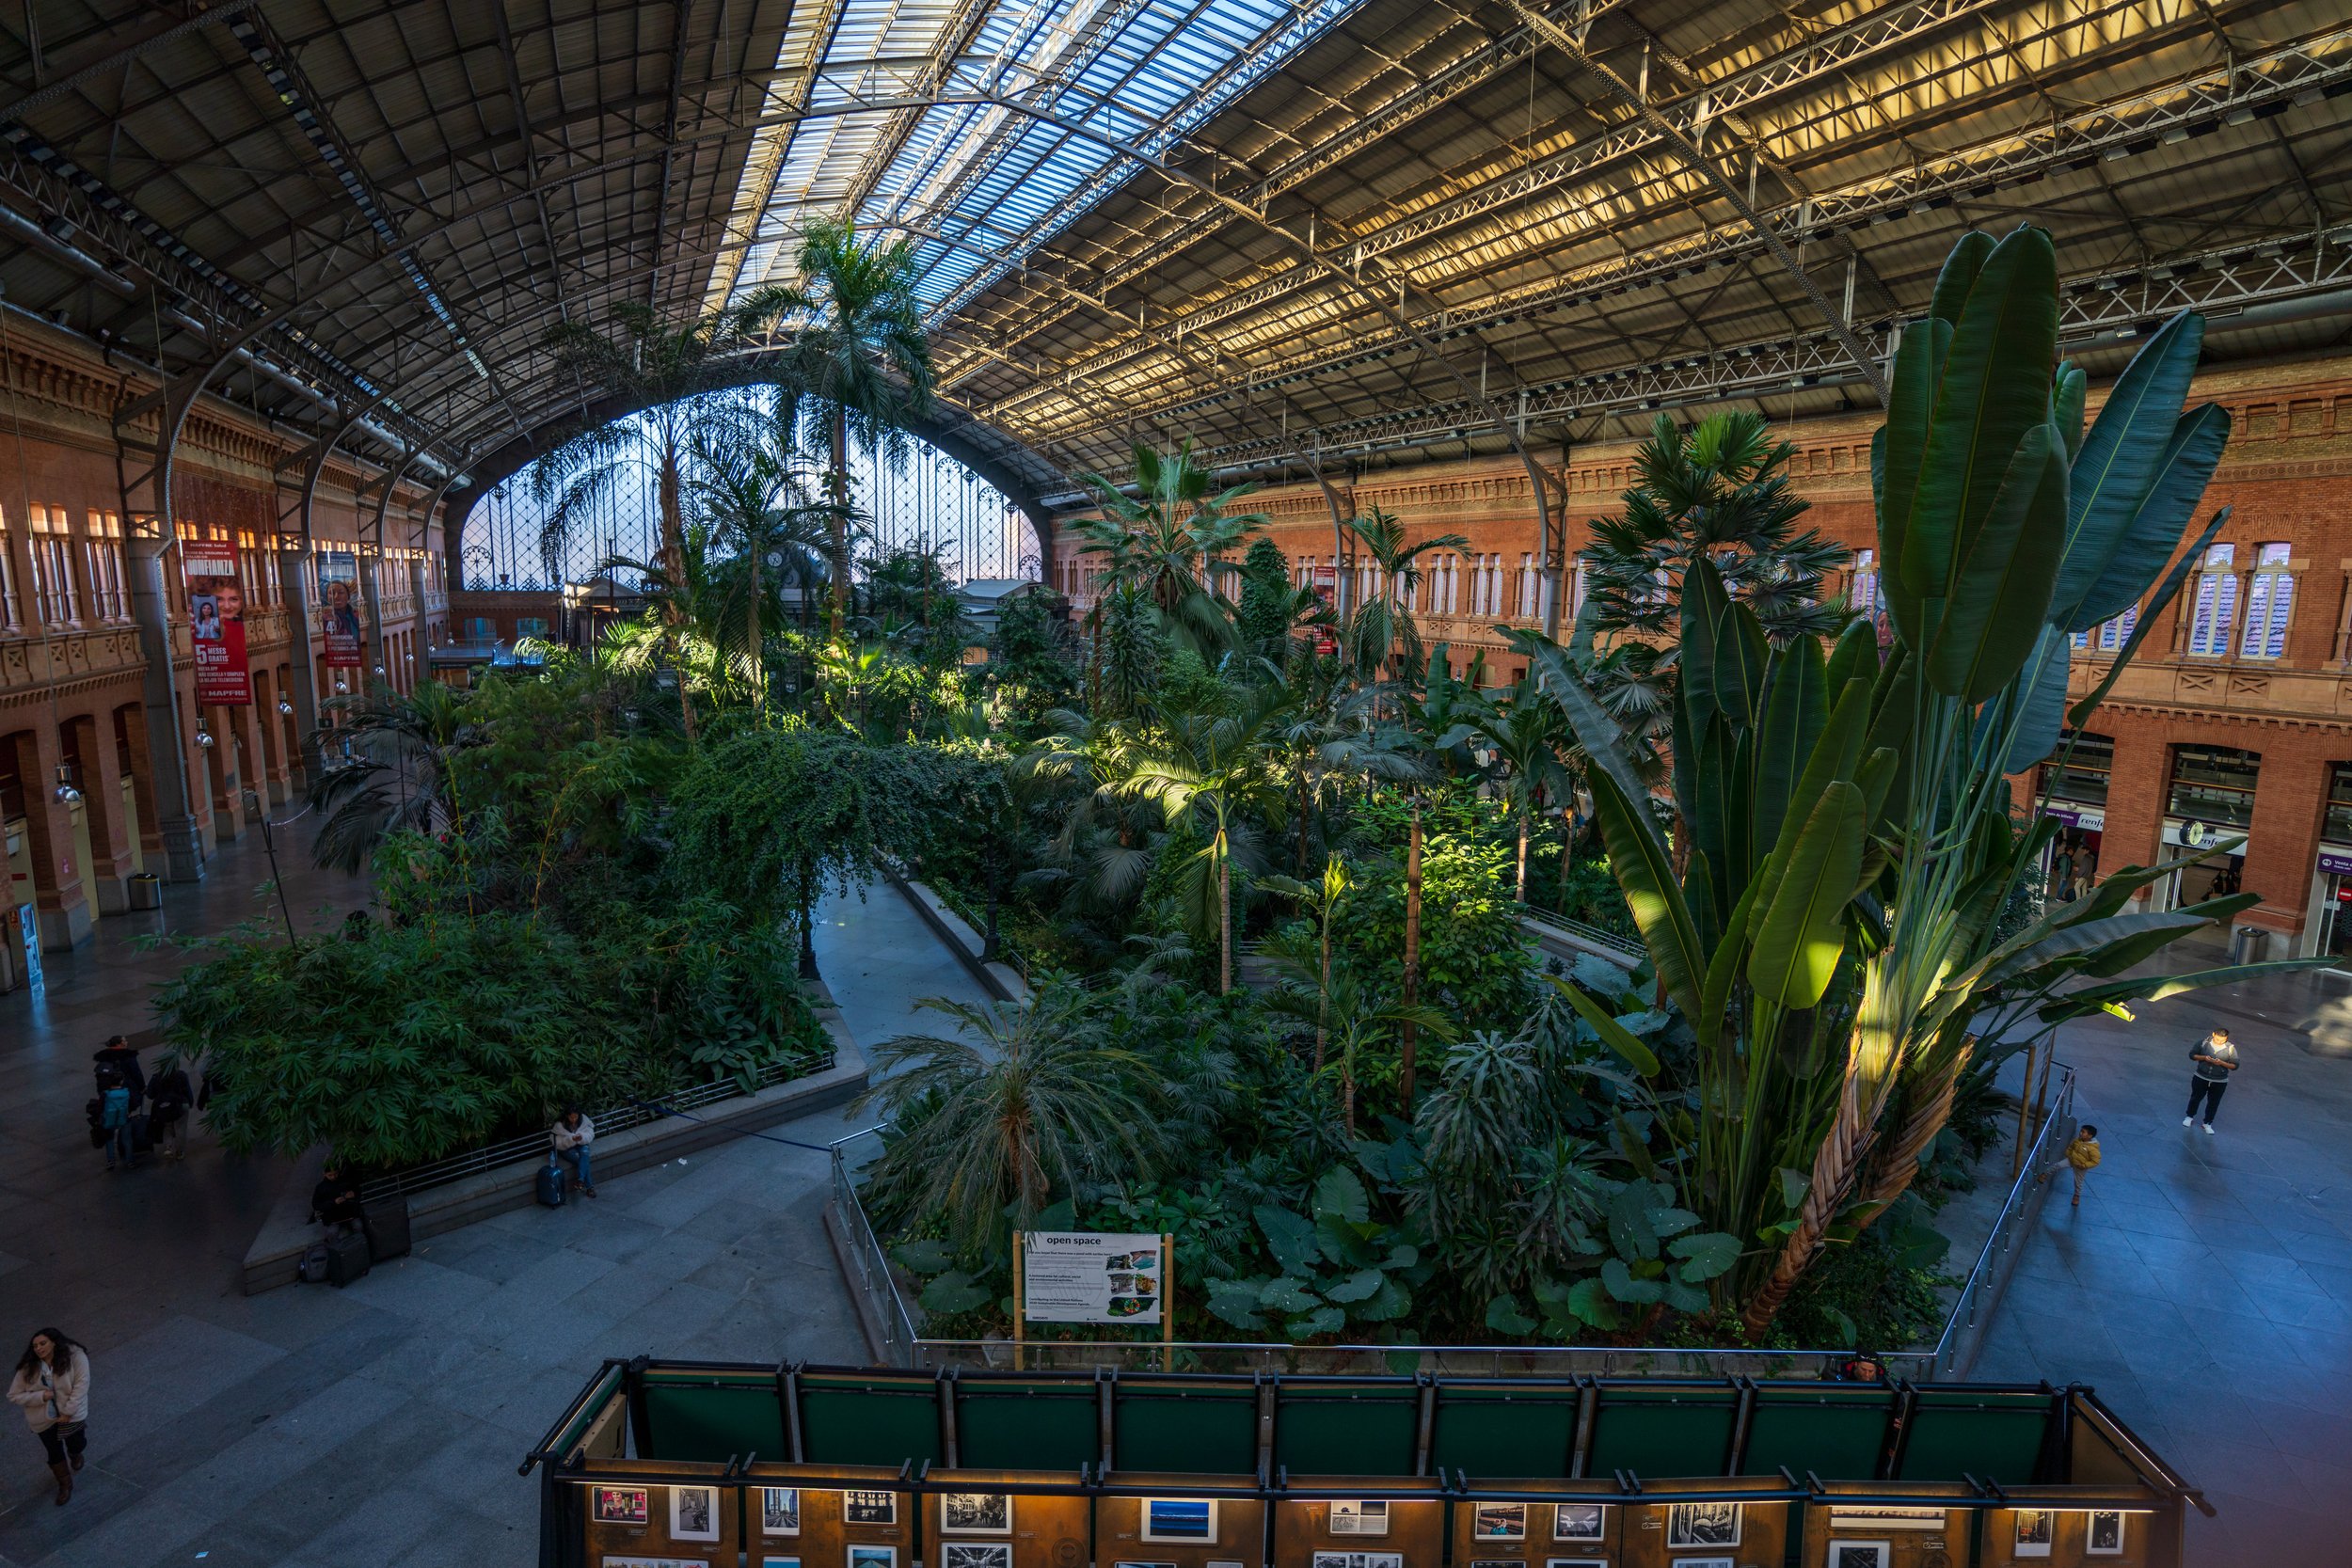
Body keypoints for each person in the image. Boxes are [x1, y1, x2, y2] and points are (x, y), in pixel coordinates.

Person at [8, 1329, 89, 1506]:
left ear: (54, 1342)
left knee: (77, 1443)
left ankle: (75, 1454)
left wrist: (68, 1412)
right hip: (43, 1420)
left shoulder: (75, 1356)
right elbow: (13, 1395)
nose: (38, 1348)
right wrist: (40, 1397)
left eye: (43, 1343)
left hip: (71, 1415)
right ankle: (65, 1485)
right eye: (35, 1345)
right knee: (54, 1452)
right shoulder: (29, 1367)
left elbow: (81, 1386)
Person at [2185, 1026, 2239, 1133]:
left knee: (2214, 1102)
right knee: (2195, 1097)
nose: (2219, 1042)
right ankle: (2189, 1117)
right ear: (2213, 1034)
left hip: (2220, 1081)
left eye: (2223, 1040)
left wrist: (2222, 1063)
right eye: (2217, 1039)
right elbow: (2192, 1055)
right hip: (2201, 1077)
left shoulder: (2231, 1048)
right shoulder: (2203, 1043)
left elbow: (2235, 1065)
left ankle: (2208, 1123)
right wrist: (2204, 1058)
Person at [2040, 1123, 2102, 1206]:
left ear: (2089, 1136)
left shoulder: (2093, 1149)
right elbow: (2071, 1147)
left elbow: (2095, 1161)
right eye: (2081, 1131)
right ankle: (2045, 1174)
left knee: (2078, 1182)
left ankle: (2077, 1195)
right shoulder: (2078, 1140)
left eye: (2083, 1132)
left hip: (2081, 1166)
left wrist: (2084, 1165)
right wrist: (2068, 1154)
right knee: (2058, 1165)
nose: (2080, 1133)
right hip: (2071, 1159)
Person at [147, 1058, 195, 1162]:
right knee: (181, 1128)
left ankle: (168, 1147)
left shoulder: (156, 1077)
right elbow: (187, 1091)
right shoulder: (181, 1075)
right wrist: (190, 1103)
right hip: (181, 1104)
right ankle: (180, 1151)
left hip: (163, 1106)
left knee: (167, 1127)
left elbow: (150, 1094)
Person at [310, 1162, 368, 1244]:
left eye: (335, 1174)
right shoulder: (321, 1188)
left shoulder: (346, 1181)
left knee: (358, 1226)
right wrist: (333, 1202)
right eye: (330, 1175)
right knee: (332, 1233)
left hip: (350, 1214)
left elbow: (357, 1191)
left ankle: (361, 1245)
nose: (333, 1177)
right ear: (324, 1174)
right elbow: (316, 1205)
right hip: (332, 1218)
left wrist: (353, 1194)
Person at [551, 1107, 596, 1198]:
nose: (574, 1119)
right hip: (565, 1148)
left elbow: (590, 1134)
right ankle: (589, 1187)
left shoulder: (583, 1120)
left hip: (581, 1142)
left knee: (584, 1153)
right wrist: (570, 1139)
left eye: (576, 1117)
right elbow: (556, 1142)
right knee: (582, 1161)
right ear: (567, 1116)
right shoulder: (560, 1125)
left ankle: (580, 1181)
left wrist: (582, 1137)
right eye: (571, 1117)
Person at [91, 1036, 144, 1112]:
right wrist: (142, 1087)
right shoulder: (128, 1056)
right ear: (119, 1044)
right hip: (126, 1087)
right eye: (124, 1041)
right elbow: (136, 1073)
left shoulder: (104, 1056)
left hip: (108, 1089)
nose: (126, 1042)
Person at [96, 1073, 134, 1172]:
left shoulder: (105, 1094)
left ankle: (111, 1161)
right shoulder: (126, 1092)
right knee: (127, 1140)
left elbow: (99, 1108)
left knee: (109, 1140)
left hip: (109, 1120)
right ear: (121, 1081)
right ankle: (130, 1161)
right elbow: (133, 1103)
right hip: (124, 1119)